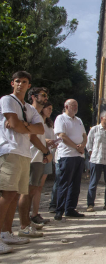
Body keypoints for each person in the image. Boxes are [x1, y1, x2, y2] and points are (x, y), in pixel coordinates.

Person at [0, 71, 44, 254]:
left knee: (15, 195)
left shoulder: (30, 108)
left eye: (24, 82)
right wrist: (26, 126)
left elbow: (40, 129)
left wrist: (22, 124)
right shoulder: (7, 100)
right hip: (10, 150)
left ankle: (6, 232)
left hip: (25, 153)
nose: (20, 84)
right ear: (12, 83)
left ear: (28, 86)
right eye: (17, 81)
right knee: (7, 194)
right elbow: (13, 123)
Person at [19, 88, 53, 234]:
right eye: (43, 95)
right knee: (26, 192)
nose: (46, 98)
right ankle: (24, 226)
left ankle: (27, 223)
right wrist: (46, 151)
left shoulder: (38, 115)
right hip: (30, 156)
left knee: (32, 190)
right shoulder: (28, 111)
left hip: (38, 157)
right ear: (33, 97)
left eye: (47, 95)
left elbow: (38, 137)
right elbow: (31, 136)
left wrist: (45, 152)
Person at [54, 99, 87, 220]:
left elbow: (84, 135)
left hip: (78, 156)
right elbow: (62, 136)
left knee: (75, 185)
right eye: (73, 105)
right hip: (67, 156)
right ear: (66, 106)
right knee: (64, 184)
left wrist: (82, 146)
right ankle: (59, 210)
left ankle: (70, 208)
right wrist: (76, 147)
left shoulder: (79, 120)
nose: (75, 107)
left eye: (77, 105)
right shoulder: (60, 118)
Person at [31, 101, 56, 224]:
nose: (50, 110)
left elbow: (50, 138)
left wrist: (53, 143)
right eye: (48, 108)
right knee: (32, 187)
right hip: (37, 155)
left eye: (51, 108)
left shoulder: (49, 124)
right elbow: (34, 137)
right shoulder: (36, 119)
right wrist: (46, 143)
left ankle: (35, 214)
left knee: (39, 187)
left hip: (48, 156)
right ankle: (28, 215)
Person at [86, 111, 106, 212]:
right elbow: (88, 144)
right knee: (93, 182)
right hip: (96, 160)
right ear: (101, 118)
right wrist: (92, 154)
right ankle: (90, 204)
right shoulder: (94, 129)